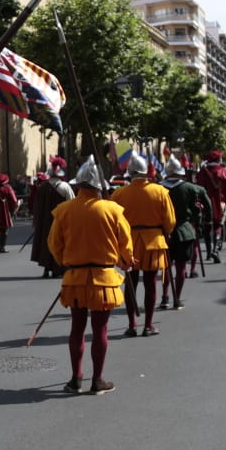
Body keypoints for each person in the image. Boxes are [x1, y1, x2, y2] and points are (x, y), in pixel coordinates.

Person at [48, 157, 132, 395]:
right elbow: (125, 243)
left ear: (78, 186)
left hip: (75, 277)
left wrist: (68, 261)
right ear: (99, 186)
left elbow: (54, 244)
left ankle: (76, 378)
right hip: (104, 278)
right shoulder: (113, 210)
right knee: (100, 330)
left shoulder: (64, 210)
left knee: (77, 328)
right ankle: (97, 380)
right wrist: (125, 262)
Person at [110, 154, 176, 337]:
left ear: (129, 173)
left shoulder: (118, 193)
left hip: (128, 242)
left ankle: (132, 325)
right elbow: (170, 222)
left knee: (131, 285)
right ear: (147, 172)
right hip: (153, 241)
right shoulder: (160, 191)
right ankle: (148, 325)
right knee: (150, 284)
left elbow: (112, 221)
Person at [159, 157, 210, 310]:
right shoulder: (192, 188)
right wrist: (206, 221)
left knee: (166, 267)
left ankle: (165, 297)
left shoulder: (158, 188)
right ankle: (177, 298)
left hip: (163, 233)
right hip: (184, 231)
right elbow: (207, 204)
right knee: (181, 267)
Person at [30, 157, 72, 279]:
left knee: (45, 243)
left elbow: (37, 206)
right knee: (59, 242)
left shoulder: (42, 187)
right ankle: (57, 268)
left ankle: (46, 268)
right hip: (60, 220)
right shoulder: (65, 187)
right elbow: (71, 203)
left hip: (45, 221)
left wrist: (37, 221)